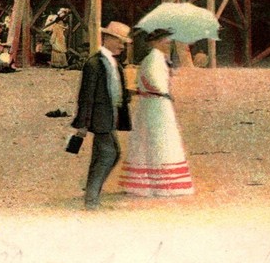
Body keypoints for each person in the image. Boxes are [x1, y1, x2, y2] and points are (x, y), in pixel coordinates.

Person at [118, 29, 195, 197]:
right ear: (155, 42)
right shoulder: (153, 58)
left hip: (156, 102)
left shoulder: (159, 58)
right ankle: (160, 184)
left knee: (160, 139)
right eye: (163, 41)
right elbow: (152, 80)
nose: (167, 43)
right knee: (159, 140)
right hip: (156, 102)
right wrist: (164, 91)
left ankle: (160, 182)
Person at [70, 21, 133, 210]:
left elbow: (117, 90)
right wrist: (82, 123)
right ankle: (91, 200)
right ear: (108, 39)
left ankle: (92, 197)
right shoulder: (94, 63)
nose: (122, 46)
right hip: (100, 118)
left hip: (111, 116)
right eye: (120, 42)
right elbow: (86, 96)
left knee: (104, 155)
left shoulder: (115, 64)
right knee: (109, 154)